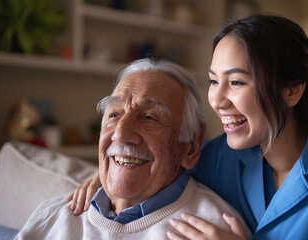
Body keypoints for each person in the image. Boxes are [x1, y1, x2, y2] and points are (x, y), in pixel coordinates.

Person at [68, 15, 308, 239]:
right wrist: (112, 167)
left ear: (292, 89)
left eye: (236, 83)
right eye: (213, 81)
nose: (217, 99)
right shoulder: (216, 160)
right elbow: (159, 164)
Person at [15, 58, 252, 240]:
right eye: (114, 114)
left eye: (149, 117)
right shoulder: (56, 213)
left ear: (190, 146)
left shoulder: (216, 228)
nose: (120, 133)